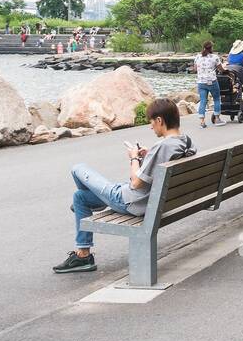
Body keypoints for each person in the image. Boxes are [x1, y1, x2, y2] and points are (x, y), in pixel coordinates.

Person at [53, 98, 196, 274]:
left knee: (78, 169)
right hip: (160, 200)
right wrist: (149, 155)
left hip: (132, 202)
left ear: (159, 120)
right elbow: (161, 167)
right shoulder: (187, 142)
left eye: (151, 122)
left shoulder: (163, 146)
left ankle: (98, 205)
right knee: (79, 198)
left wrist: (134, 157)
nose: (151, 127)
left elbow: (136, 183)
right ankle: (82, 254)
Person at [194, 40, 225, 128]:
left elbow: (195, 69)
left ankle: (202, 122)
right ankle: (217, 119)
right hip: (212, 81)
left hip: (201, 82)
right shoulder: (214, 57)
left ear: (203, 47)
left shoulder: (197, 57)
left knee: (203, 101)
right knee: (216, 99)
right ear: (211, 48)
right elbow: (221, 69)